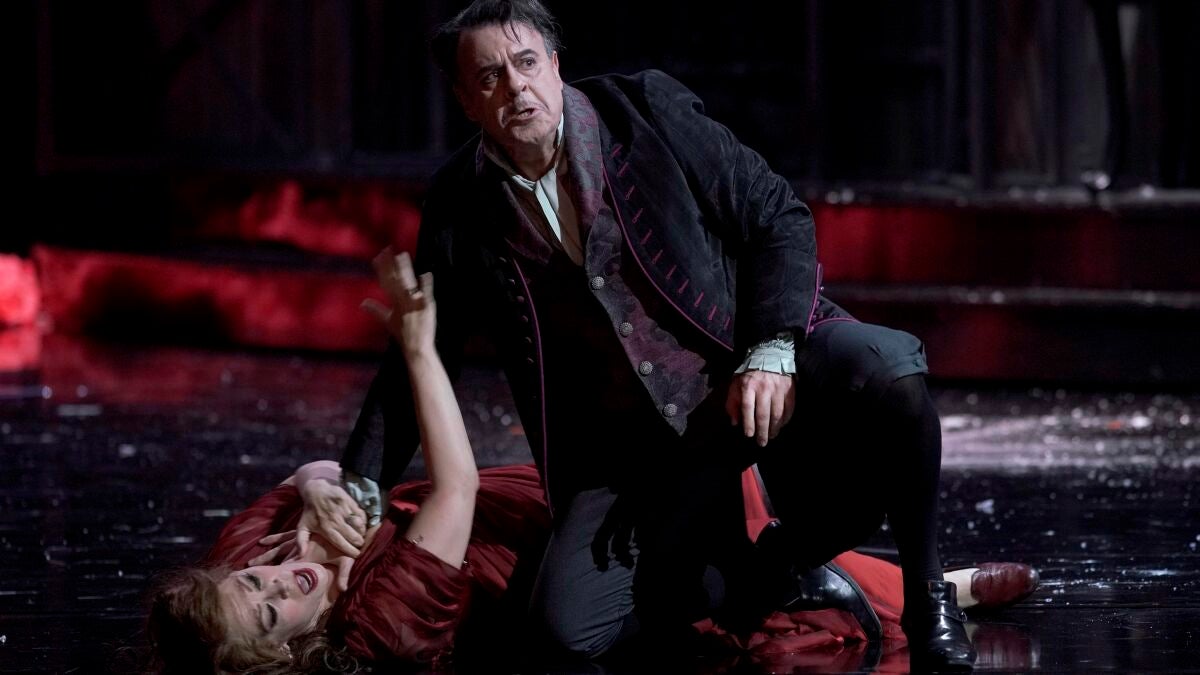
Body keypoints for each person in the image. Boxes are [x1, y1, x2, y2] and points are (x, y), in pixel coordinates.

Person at [338, 0, 979, 669]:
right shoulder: (459, 201)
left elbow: (776, 215)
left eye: (526, 63)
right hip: (635, 448)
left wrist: (771, 351)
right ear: (467, 100)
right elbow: (426, 348)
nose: (516, 87)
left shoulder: (643, 111)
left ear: (554, 66)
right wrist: (360, 483)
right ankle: (765, 575)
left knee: (890, 374)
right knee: (567, 631)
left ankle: (924, 596)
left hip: (745, 360)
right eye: (491, 77)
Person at [146, 250, 1039, 673]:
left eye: (256, 582)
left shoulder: (246, 554)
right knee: (718, 587)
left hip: (523, 504)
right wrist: (420, 349)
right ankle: (932, 588)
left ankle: (898, 567)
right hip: (516, 559)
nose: (280, 580)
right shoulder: (374, 630)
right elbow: (453, 487)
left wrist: (316, 485)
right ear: (282, 653)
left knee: (708, 503)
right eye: (272, 610)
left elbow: (305, 474)